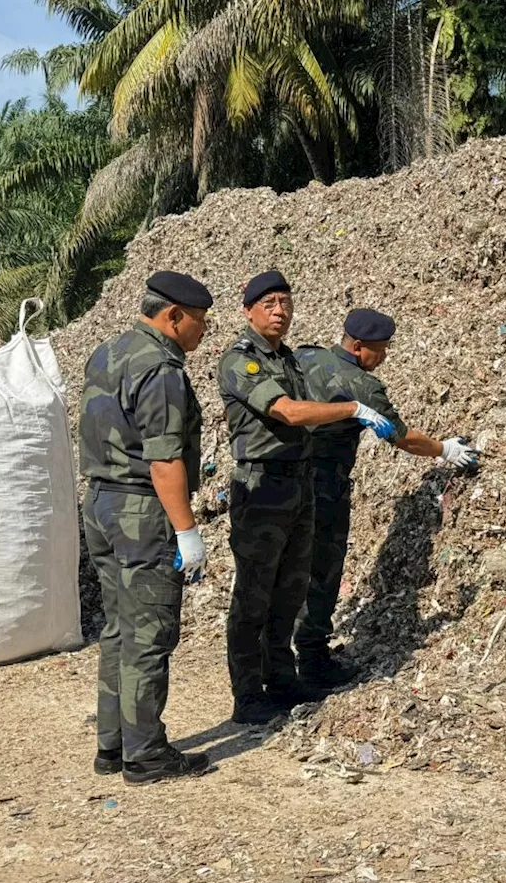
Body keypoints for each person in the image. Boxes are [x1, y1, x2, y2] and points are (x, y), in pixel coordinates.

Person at [218, 272, 396, 726]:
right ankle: (247, 692)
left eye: (285, 302)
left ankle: (281, 679)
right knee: (254, 595)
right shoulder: (242, 361)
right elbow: (289, 412)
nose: (280, 311)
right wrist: (353, 408)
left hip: (299, 485)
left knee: (289, 589)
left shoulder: (293, 361)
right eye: (269, 303)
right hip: (262, 488)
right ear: (249, 311)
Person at [292, 309, 478, 687]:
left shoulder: (305, 356)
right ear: (358, 347)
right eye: (380, 350)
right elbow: (401, 436)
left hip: (285, 478)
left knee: (288, 568)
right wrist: (444, 449)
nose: (385, 357)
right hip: (324, 486)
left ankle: (277, 657)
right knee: (323, 570)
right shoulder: (361, 385)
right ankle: (313, 662)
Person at [80, 271, 215, 784]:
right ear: (172, 316)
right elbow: (163, 460)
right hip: (141, 510)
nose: (203, 332)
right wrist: (186, 531)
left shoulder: (107, 352)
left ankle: (112, 746)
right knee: (149, 632)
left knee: (117, 627)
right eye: (199, 322)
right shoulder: (162, 370)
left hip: (100, 503)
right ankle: (145, 754)